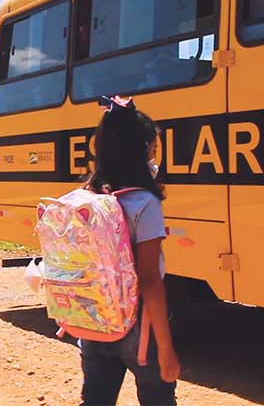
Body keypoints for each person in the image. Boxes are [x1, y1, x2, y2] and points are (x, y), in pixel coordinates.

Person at [78, 95, 180, 406]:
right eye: (153, 147)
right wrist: (165, 348)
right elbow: (150, 280)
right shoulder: (144, 204)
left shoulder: (88, 199)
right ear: (143, 150)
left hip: (95, 325)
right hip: (140, 330)